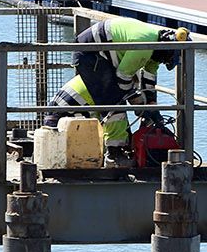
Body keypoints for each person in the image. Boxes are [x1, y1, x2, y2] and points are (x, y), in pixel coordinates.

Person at [44, 17, 189, 164]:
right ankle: (114, 156)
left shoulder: (155, 44)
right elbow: (123, 79)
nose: (164, 62)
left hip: (97, 57)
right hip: (89, 53)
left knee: (116, 103)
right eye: (168, 59)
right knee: (115, 106)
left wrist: (151, 107)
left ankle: (118, 149)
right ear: (167, 49)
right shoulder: (144, 46)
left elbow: (148, 81)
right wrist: (139, 105)